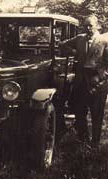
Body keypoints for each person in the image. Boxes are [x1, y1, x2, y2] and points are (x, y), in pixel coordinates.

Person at [60, 15, 108, 148]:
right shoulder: (80, 38)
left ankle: (95, 144)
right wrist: (75, 53)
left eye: (90, 25)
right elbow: (63, 45)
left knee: (96, 114)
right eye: (85, 25)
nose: (88, 28)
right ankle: (83, 140)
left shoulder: (104, 40)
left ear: (97, 25)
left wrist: (101, 77)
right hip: (81, 83)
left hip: (98, 84)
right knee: (80, 113)